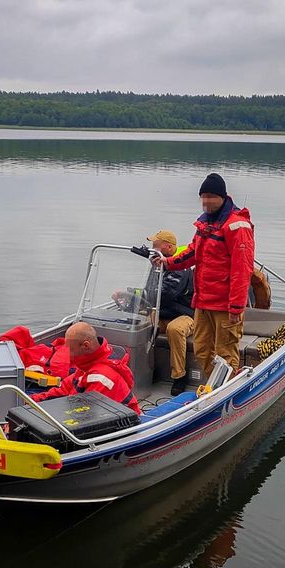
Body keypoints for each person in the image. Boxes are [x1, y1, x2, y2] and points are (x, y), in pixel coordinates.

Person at [160, 173, 254, 378]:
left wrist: (236, 307)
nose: (206, 201)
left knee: (226, 353)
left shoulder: (237, 226)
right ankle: (214, 386)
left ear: (223, 197)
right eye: (203, 196)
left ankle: (224, 390)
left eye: (211, 196)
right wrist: (168, 263)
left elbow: (242, 270)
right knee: (202, 349)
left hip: (225, 304)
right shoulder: (205, 223)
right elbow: (193, 252)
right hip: (203, 302)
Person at [30, 321, 141, 414]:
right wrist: (28, 401)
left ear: (86, 346)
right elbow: (62, 391)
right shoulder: (86, 366)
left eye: (70, 350)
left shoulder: (102, 378)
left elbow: (82, 416)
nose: (68, 356)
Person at [146, 230, 195, 396]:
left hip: (187, 314)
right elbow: (149, 290)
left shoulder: (181, 266)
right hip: (163, 312)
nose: (152, 249)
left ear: (167, 247)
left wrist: (146, 296)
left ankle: (179, 376)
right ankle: (147, 369)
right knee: (142, 325)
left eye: (155, 246)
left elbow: (167, 293)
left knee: (174, 329)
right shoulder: (157, 264)